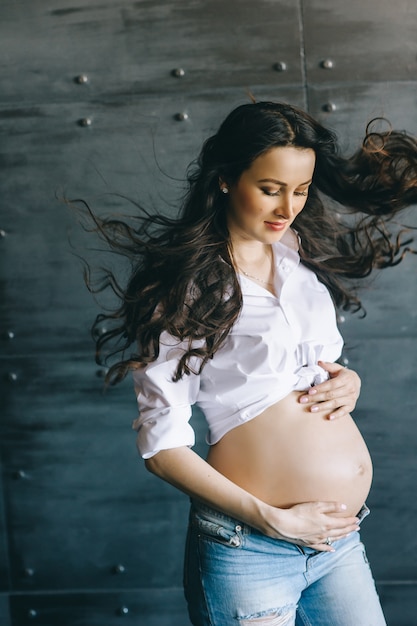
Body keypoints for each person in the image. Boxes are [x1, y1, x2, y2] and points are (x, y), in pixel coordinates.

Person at [85, 101, 417, 625]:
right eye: (270, 188)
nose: (287, 207)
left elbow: (306, 368)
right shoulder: (184, 287)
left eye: (301, 190)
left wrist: (348, 382)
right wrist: (273, 521)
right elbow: (162, 448)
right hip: (251, 548)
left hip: (336, 542)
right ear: (224, 180)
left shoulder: (299, 254)